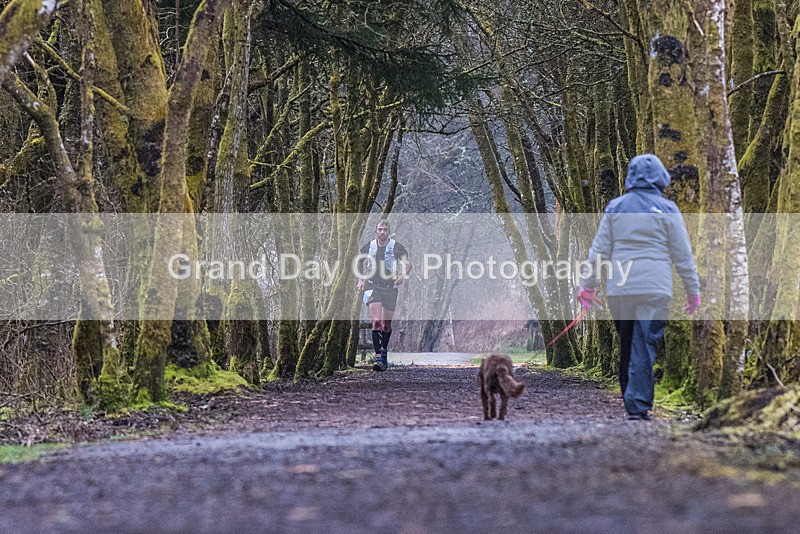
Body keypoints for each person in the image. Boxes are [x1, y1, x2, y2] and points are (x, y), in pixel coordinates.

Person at [578, 154, 700, 420]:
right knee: (643, 344)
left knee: (629, 342)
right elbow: (683, 255)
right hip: (655, 288)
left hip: (620, 289)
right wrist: (693, 291)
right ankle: (637, 405)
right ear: (661, 177)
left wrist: (587, 287)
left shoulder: (616, 207)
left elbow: (598, 252)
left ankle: (631, 398)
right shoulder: (667, 209)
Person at [357, 219, 411, 371]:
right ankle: (378, 357)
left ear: (389, 231)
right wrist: (361, 280)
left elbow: (408, 264)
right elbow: (359, 263)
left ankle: (384, 351)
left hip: (390, 287)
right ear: (376, 231)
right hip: (372, 286)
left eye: (384, 230)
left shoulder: (396, 247)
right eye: (379, 229)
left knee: (386, 325)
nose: (382, 232)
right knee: (376, 322)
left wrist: (402, 275)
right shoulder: (368, 247)